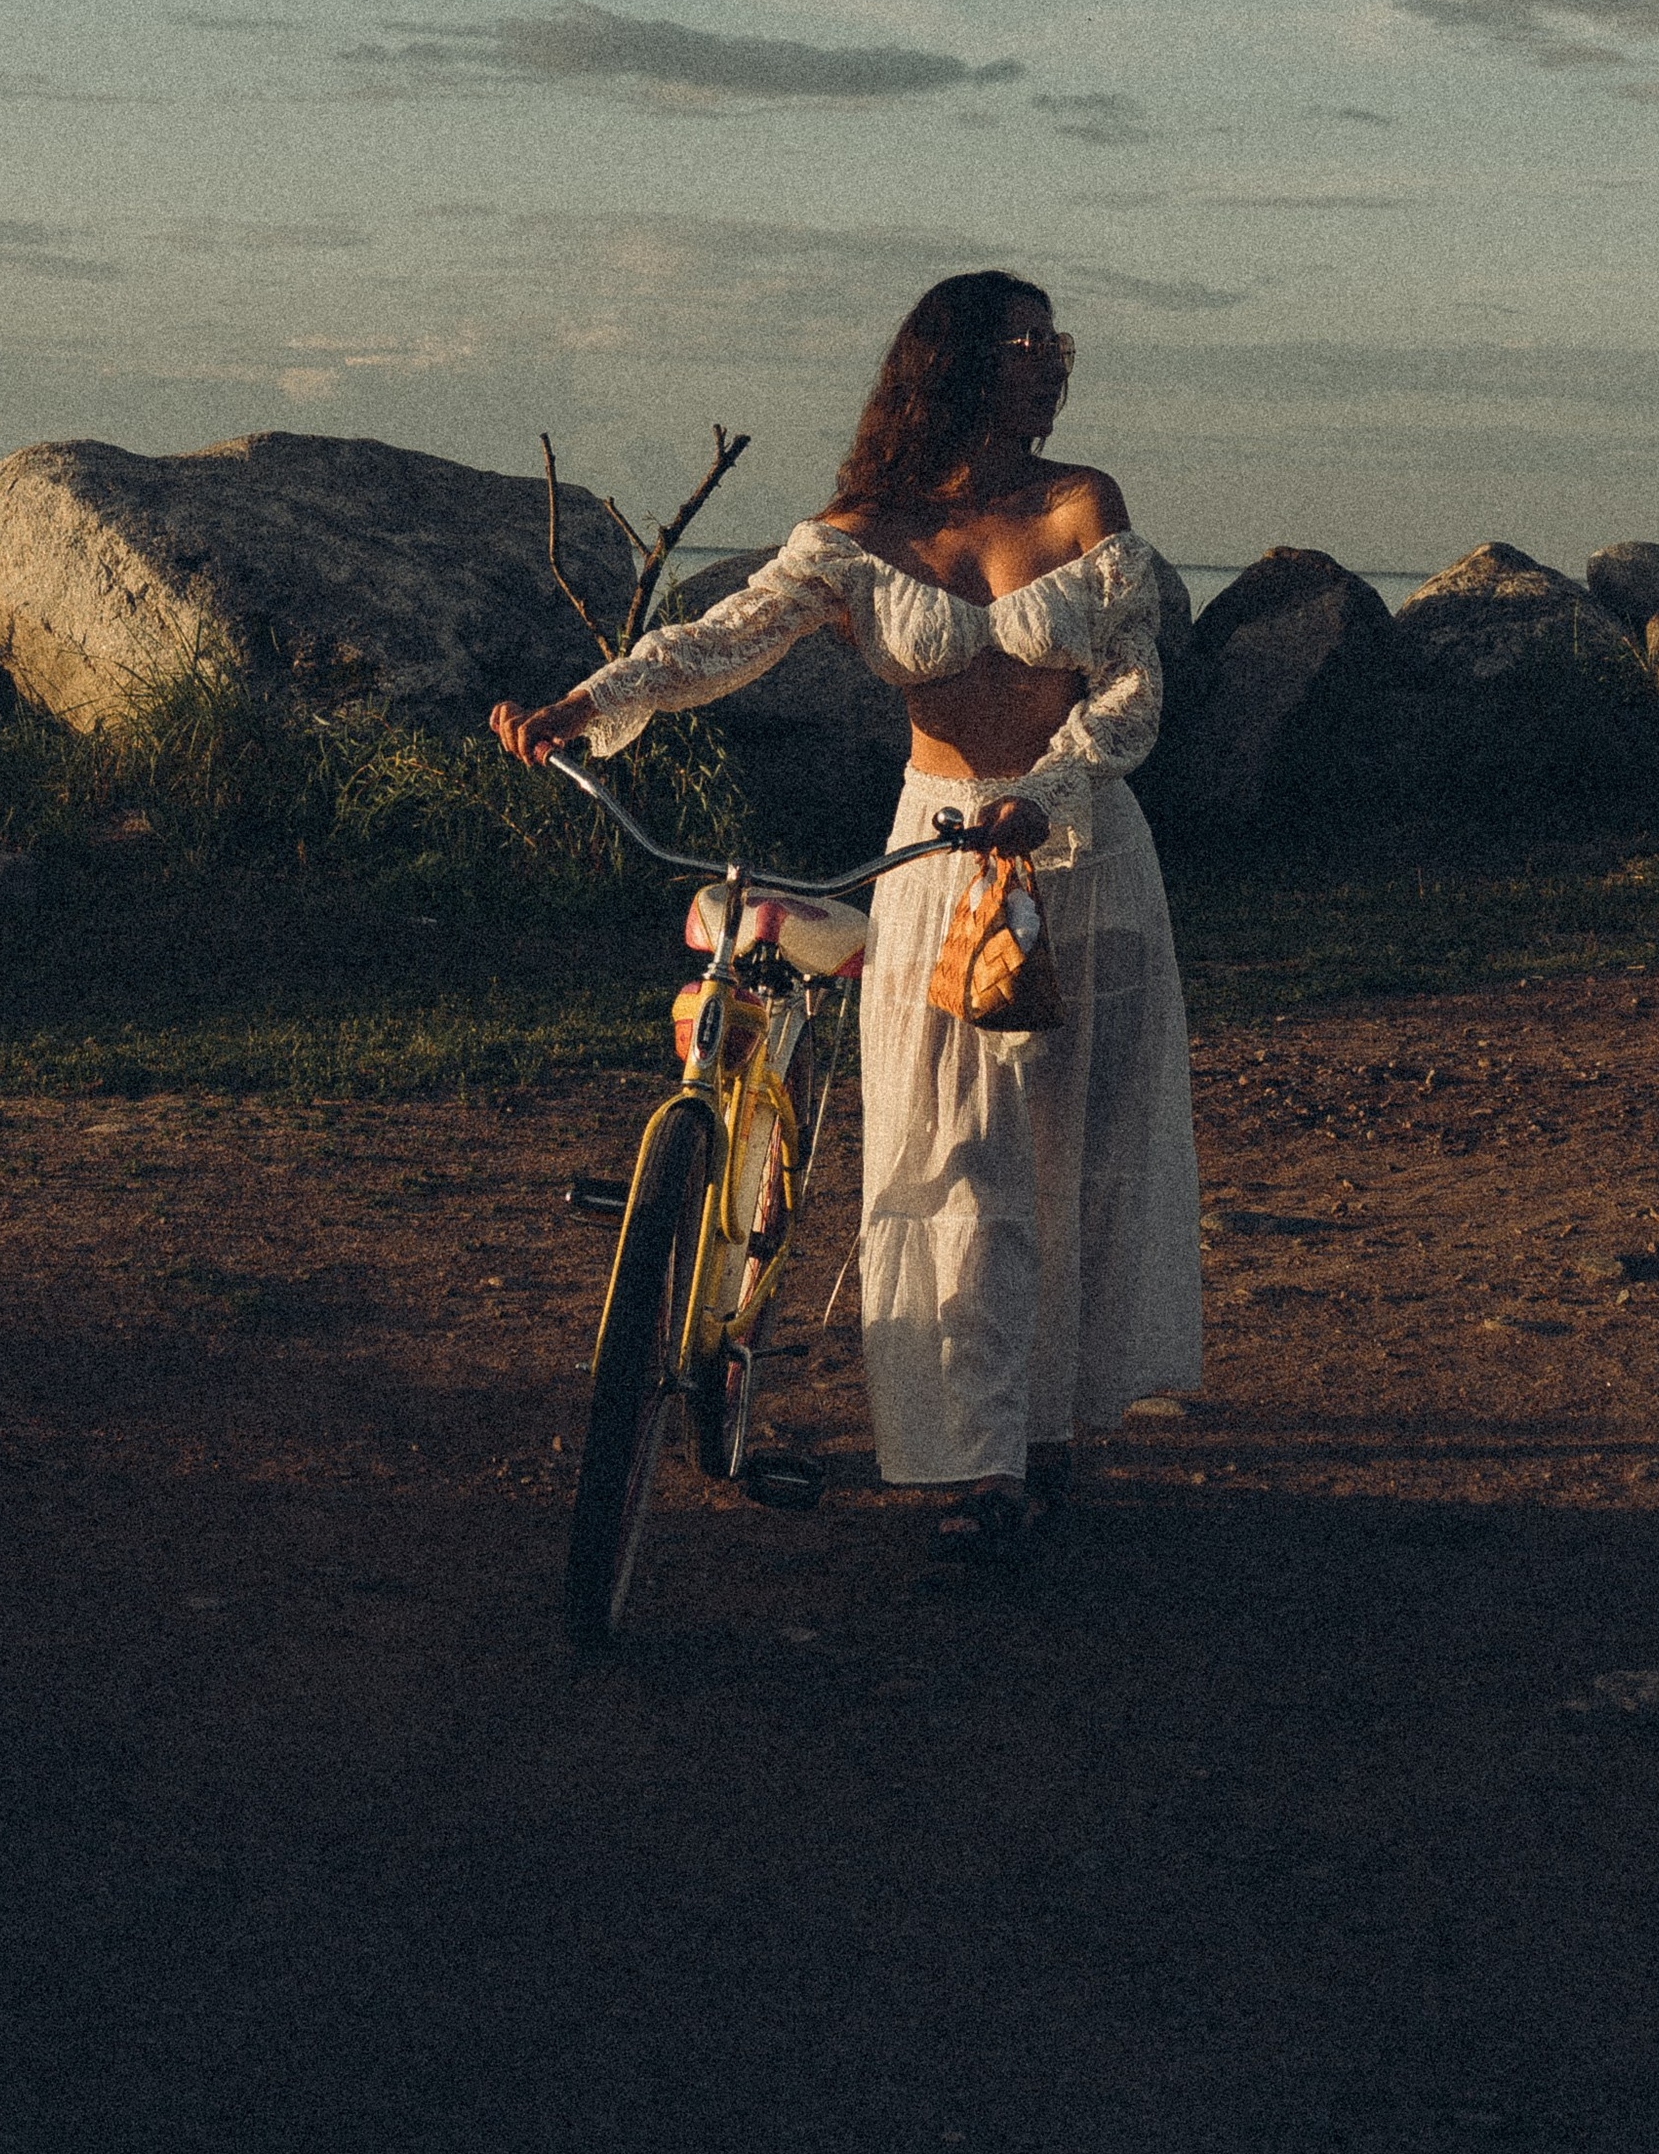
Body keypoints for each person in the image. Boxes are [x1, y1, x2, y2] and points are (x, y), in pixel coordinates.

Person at [490, 271, 1202, 1558]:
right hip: (936, 859)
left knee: (1071, 1162)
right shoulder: (859, 533)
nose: (1053, 361)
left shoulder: (1082, 504)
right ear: (956, 362)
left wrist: (1041, 794)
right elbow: (717, 640)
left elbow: (1135, 689)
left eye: (1058, 339)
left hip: (1084, 852)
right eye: (1025, 341)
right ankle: (976, 1471)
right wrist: (580, 710)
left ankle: (1041, 1441)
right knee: (955, 1165)